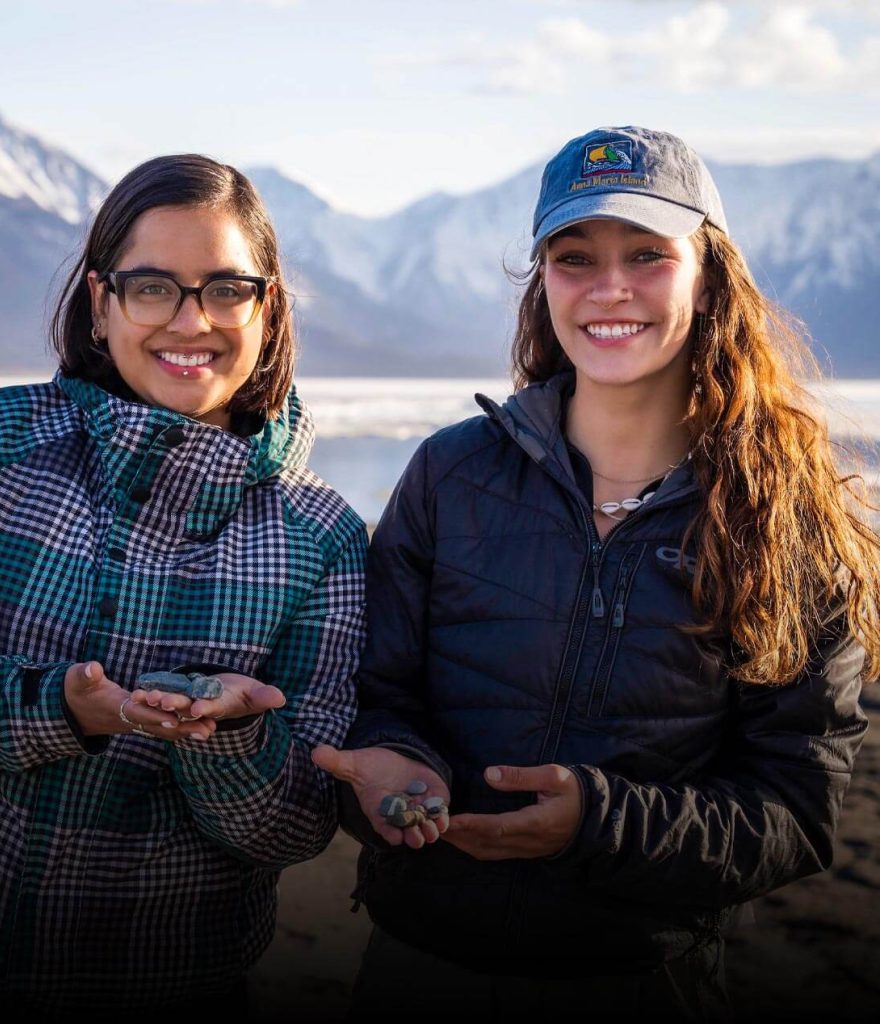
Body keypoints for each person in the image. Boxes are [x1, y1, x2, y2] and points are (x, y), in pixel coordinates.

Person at [313, 126, 880, 1020]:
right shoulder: (450, 476)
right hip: (418, 969)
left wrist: (599, 823)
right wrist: (394, 767)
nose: (610, 287)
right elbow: (381, 692)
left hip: (645, 984)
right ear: (543, 283)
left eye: (648, 255)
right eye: (574, 257)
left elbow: (795, 809)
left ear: (710, 276)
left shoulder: (788, 516)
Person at [0, 154, 366, 1017]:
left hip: (168, 981)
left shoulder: (320, 538)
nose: (191, 320)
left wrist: (228, 744)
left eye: (226, 289)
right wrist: (60, 709)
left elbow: (298, 827)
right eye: (153, 287)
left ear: (267, 306)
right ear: (101, 302)